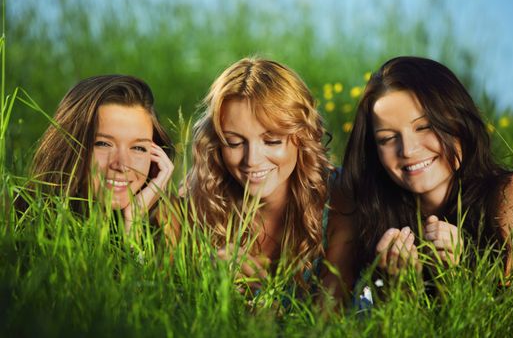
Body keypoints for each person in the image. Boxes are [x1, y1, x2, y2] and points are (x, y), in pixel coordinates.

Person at [339, 56, 513, 282]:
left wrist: (457, 276)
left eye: (424, 127)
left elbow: (508, 310)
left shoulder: (511, 196)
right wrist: (401, 290)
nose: (407, 150)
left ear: (458, 121)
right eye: (387, 138)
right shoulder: (371, 213)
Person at [185, 57, 354, 299]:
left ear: (302, 136)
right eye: (234, 142)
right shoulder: (199, 199)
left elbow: (328, 323)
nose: (252, 160)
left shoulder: (340, 200)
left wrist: (257, 299)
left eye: (272, 140)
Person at [21, 75, 174, 235]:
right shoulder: (21, 222)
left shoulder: (165, 230)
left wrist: (132, 222)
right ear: (68, 146)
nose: (122, 165)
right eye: (103, 144)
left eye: (138, 148)